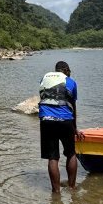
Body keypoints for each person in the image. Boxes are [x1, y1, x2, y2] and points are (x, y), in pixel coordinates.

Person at [38, 61, 83, 193]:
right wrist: (75, 128)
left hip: (46, 120)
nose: (70, 73)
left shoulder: (44, 79)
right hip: (65, 120)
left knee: (53, 157)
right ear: (65, 70)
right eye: (69, 71)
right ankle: (72, 187)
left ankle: (56, 192)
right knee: (71, 153)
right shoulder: (70, 82)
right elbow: (72, 106)